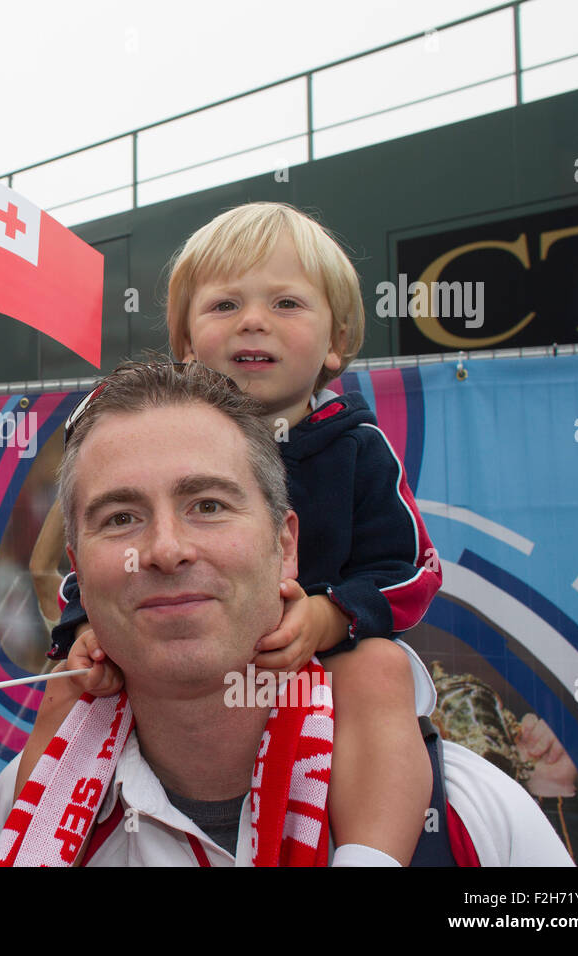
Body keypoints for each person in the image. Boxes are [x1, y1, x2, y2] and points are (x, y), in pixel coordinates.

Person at [0, 361, 572, 866]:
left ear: (286, 546)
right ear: (78, 569)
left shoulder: (473, 819)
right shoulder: (18, 811)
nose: (164, 550)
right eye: (121, 518)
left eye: (208, 505)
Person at [43, 203, 442, 865]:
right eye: (225, 305)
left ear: (336, 344)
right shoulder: (142, 444)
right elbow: (92, 561)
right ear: (184, 344)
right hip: (178, 678)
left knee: (381, 667)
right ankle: (39, 845)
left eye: (287, 303)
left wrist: (330, 616)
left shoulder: (359, 449)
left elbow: (411, 570)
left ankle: (372, 852)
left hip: (324, 663)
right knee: (70, 680)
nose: (253, 320)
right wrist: (83, 628)